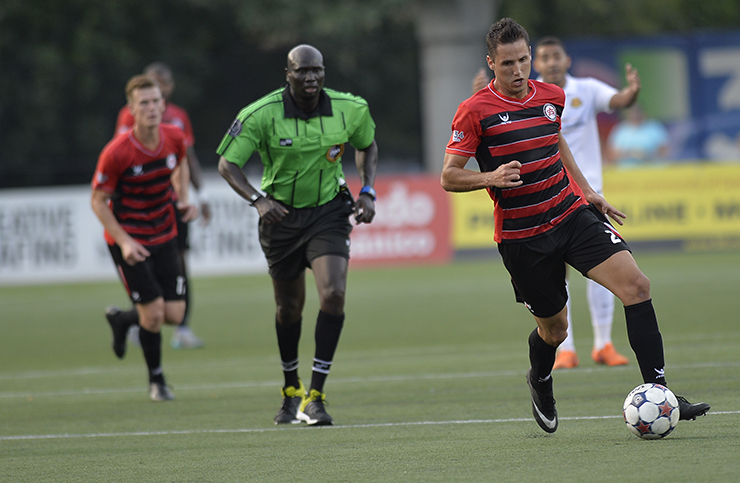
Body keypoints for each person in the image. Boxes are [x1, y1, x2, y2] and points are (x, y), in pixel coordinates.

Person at [441, 18, 709, 433]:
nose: (518, 71)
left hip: (570, 214)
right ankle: (541, 379)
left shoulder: (552, 95)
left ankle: (662, 394)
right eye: (507, 63)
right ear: (491, 62)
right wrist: (489, 178)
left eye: (524, 60)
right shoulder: (475, 110)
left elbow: (555, 139)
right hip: (522, 237)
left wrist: (585, 190)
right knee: (554, 330)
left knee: (637, 286)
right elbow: (449, 175)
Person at [217, 44, 378, 426]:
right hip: (281, 219)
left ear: (324, 73)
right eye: (302, 71)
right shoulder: (259, 114)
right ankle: (291, 389)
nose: (310, 78)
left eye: (317, 71)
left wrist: (368, 190)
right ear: (287, 75)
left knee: (334, 293)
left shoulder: (350, 108)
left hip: (329, 212)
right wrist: (258, 200)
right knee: (288, 309)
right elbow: (227, 164)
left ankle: (316, 397)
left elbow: (367, 145)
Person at [473, 37, 641, 370]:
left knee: (610, 272)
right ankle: (568, 348)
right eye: (545, 58)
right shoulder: (529, 98)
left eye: (555, 57)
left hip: (584, 193)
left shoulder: (583, 90)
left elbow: (618, 100)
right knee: (556, 279)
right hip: (545, 197)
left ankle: (604, 342)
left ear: (566, 61)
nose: (550, 63)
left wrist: (633, 91)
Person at [92, 75, 198, 401]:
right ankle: (157, 380)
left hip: (164, 232)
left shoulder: (174, 136)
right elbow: (98, 200)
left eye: (156, 102)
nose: (151, 108)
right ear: (132, 110)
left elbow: (179, 164)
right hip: (130, 241)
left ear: (164, 105)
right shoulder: (117, 153)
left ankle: (122, 320)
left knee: (175, 315)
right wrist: (124, 241)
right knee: (152, 315)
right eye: (144, 104)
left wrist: (182, 198)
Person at [115, 62, 210, 350]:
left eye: (163, 87)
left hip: (172, 205)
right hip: (141, 208)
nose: (158, 95)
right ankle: (140, 318)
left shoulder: (179, 118)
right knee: (144, 265)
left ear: (168, 90)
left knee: (180, 263)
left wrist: (198, 196)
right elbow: (120, 155)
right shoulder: (129, 115)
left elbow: (187, 157)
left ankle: (181, 327)